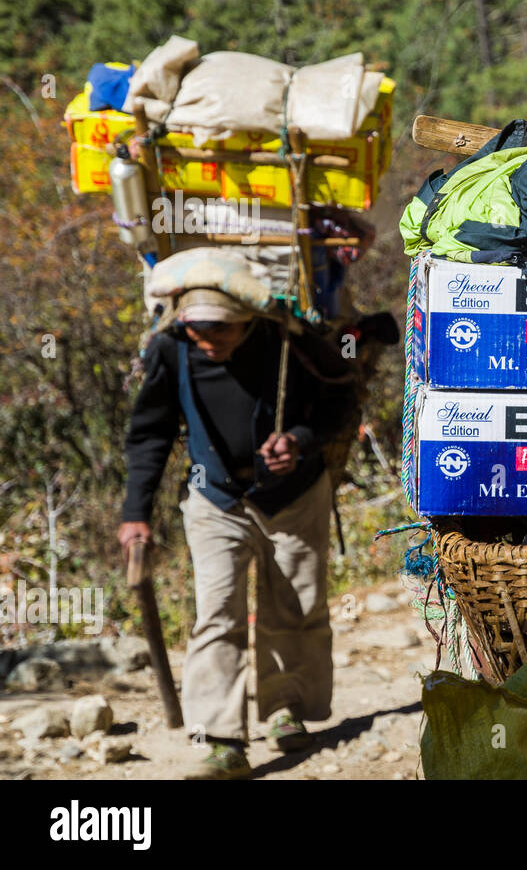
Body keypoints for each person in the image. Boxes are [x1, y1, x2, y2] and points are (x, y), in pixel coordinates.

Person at [118, 280, 356, 779]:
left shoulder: (289, 340)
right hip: (214, 498)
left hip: (293, 496)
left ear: (247, 318)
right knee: (217, 611)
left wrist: (299, 441)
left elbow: (338, 403)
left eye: (220, 328)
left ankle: (286, 712)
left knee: (293, 605)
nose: (208, 340)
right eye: (197, 329)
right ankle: (222, 738)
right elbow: (151, 432)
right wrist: (135, 512)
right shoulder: (170, 348)